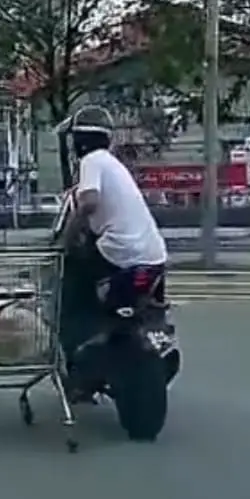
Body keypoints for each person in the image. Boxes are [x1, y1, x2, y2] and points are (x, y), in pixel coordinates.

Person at [55, 105, 168, 360]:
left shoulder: (91, 161)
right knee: (151, 303)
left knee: (71, 287)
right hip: (154, 255)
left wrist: (67, 239)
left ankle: (79, 350)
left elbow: (89, 203)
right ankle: (157, 332)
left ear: (79, 142)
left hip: (119, 252)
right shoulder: (114, 165)